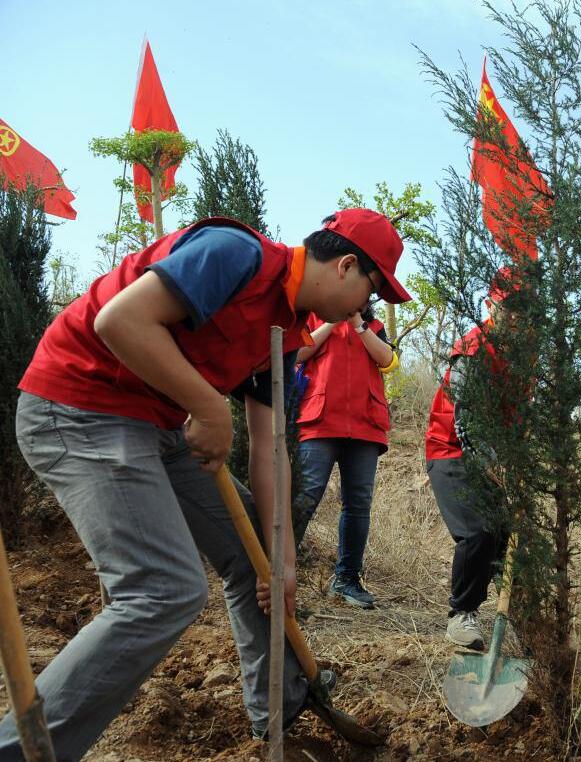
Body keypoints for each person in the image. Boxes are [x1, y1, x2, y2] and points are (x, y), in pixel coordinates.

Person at [1, 208, 410, 758]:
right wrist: (207, 406)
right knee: (163, 590)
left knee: (257, 557)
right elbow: (119, 321)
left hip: (157, 427)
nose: (366, 308)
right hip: (78, 406)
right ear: (346, 266)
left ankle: (279, 723)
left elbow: (269, 450)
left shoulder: (286, 334)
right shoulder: (235, 254)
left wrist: (283, 557)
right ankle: (22, 750)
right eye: (372, 291)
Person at [424, 275, 517, 651]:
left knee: (502, 536)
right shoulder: (475, 347)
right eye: (510, 308)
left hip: (494, 455)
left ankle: (518, 618)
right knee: (477, 531)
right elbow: (468, 421)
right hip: (450, 451)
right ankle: (460, 616)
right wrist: (497, 465)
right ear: (492, 306)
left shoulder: (525, 355)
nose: (518, 318)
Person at [293, 303, 398, 609]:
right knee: (305, 496)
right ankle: (274, 570)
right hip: (319, 421)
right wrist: (331, 320)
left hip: (365, 425)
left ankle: (347, 580)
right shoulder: (314, 315)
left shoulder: (373, 325)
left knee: (358, 503)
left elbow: (388, 360)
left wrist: (358, 323)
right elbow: (297, 354)